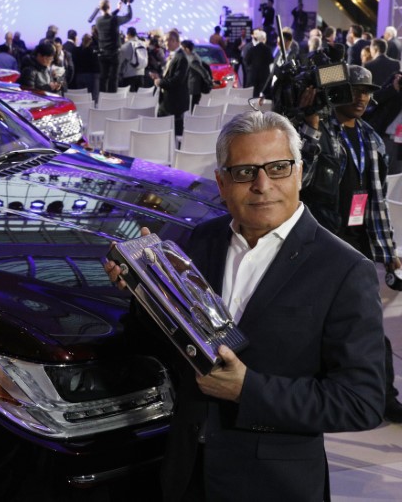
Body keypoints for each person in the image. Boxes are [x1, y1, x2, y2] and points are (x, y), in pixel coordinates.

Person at [104, 109, 386, 501]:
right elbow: (164, 347)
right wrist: (142, 294)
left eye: (278, 168)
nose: (262, 185)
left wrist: (247, 390)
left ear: (300, 173)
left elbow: (362, 402)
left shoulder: (344, 269)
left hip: (273, 486)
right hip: (185, 474)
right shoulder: (197, 244)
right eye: (244, 172)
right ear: (221, 182)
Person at [298, 65, 402, 422]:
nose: (362, 98)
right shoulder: (316, 132)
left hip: (356, 242)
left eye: (367, 91)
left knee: (369, 319)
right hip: (321, 240)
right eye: (354, 90)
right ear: (337, 91)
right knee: (313, 321)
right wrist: (310, 124)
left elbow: (377, 202)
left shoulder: (371, 139)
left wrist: (389, 254)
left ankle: (385, 395)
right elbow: (300, 181)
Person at [149, 29, 189, 135]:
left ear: (175, 41)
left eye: (167, 40)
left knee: (174, 135)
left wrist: (159, 82)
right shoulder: (173, 55)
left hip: (174, 104)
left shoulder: (181, 58)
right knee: (164, 132)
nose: (165, 43)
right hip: (167, 102)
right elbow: (170, 76)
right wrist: (159, 77)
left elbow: (176, 81)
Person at [94, 0, 133, 93]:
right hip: (114, 54)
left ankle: (102, 100)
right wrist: (128, 4)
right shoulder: (114, 20)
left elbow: (108, 18)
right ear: (109, 7)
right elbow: (129, 16)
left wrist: (118, 9)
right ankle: (112, 100)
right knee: (113, 78)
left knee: (103, 78)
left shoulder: (98, 21)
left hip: (102, 54)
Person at [245, 29, 273, 95]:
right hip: (264, 77)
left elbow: (247, 61)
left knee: (254, 96)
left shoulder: (252, 49)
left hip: (254, 76)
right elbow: (271, 61)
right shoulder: (268, 50)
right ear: (265, 39)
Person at [119, 26, 147, 92]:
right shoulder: (142, 43)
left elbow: (120, 61)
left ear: (128, 34)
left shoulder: (127, 45)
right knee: (138, 98)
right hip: (141, 74)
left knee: (129, 99)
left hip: (129, 76)